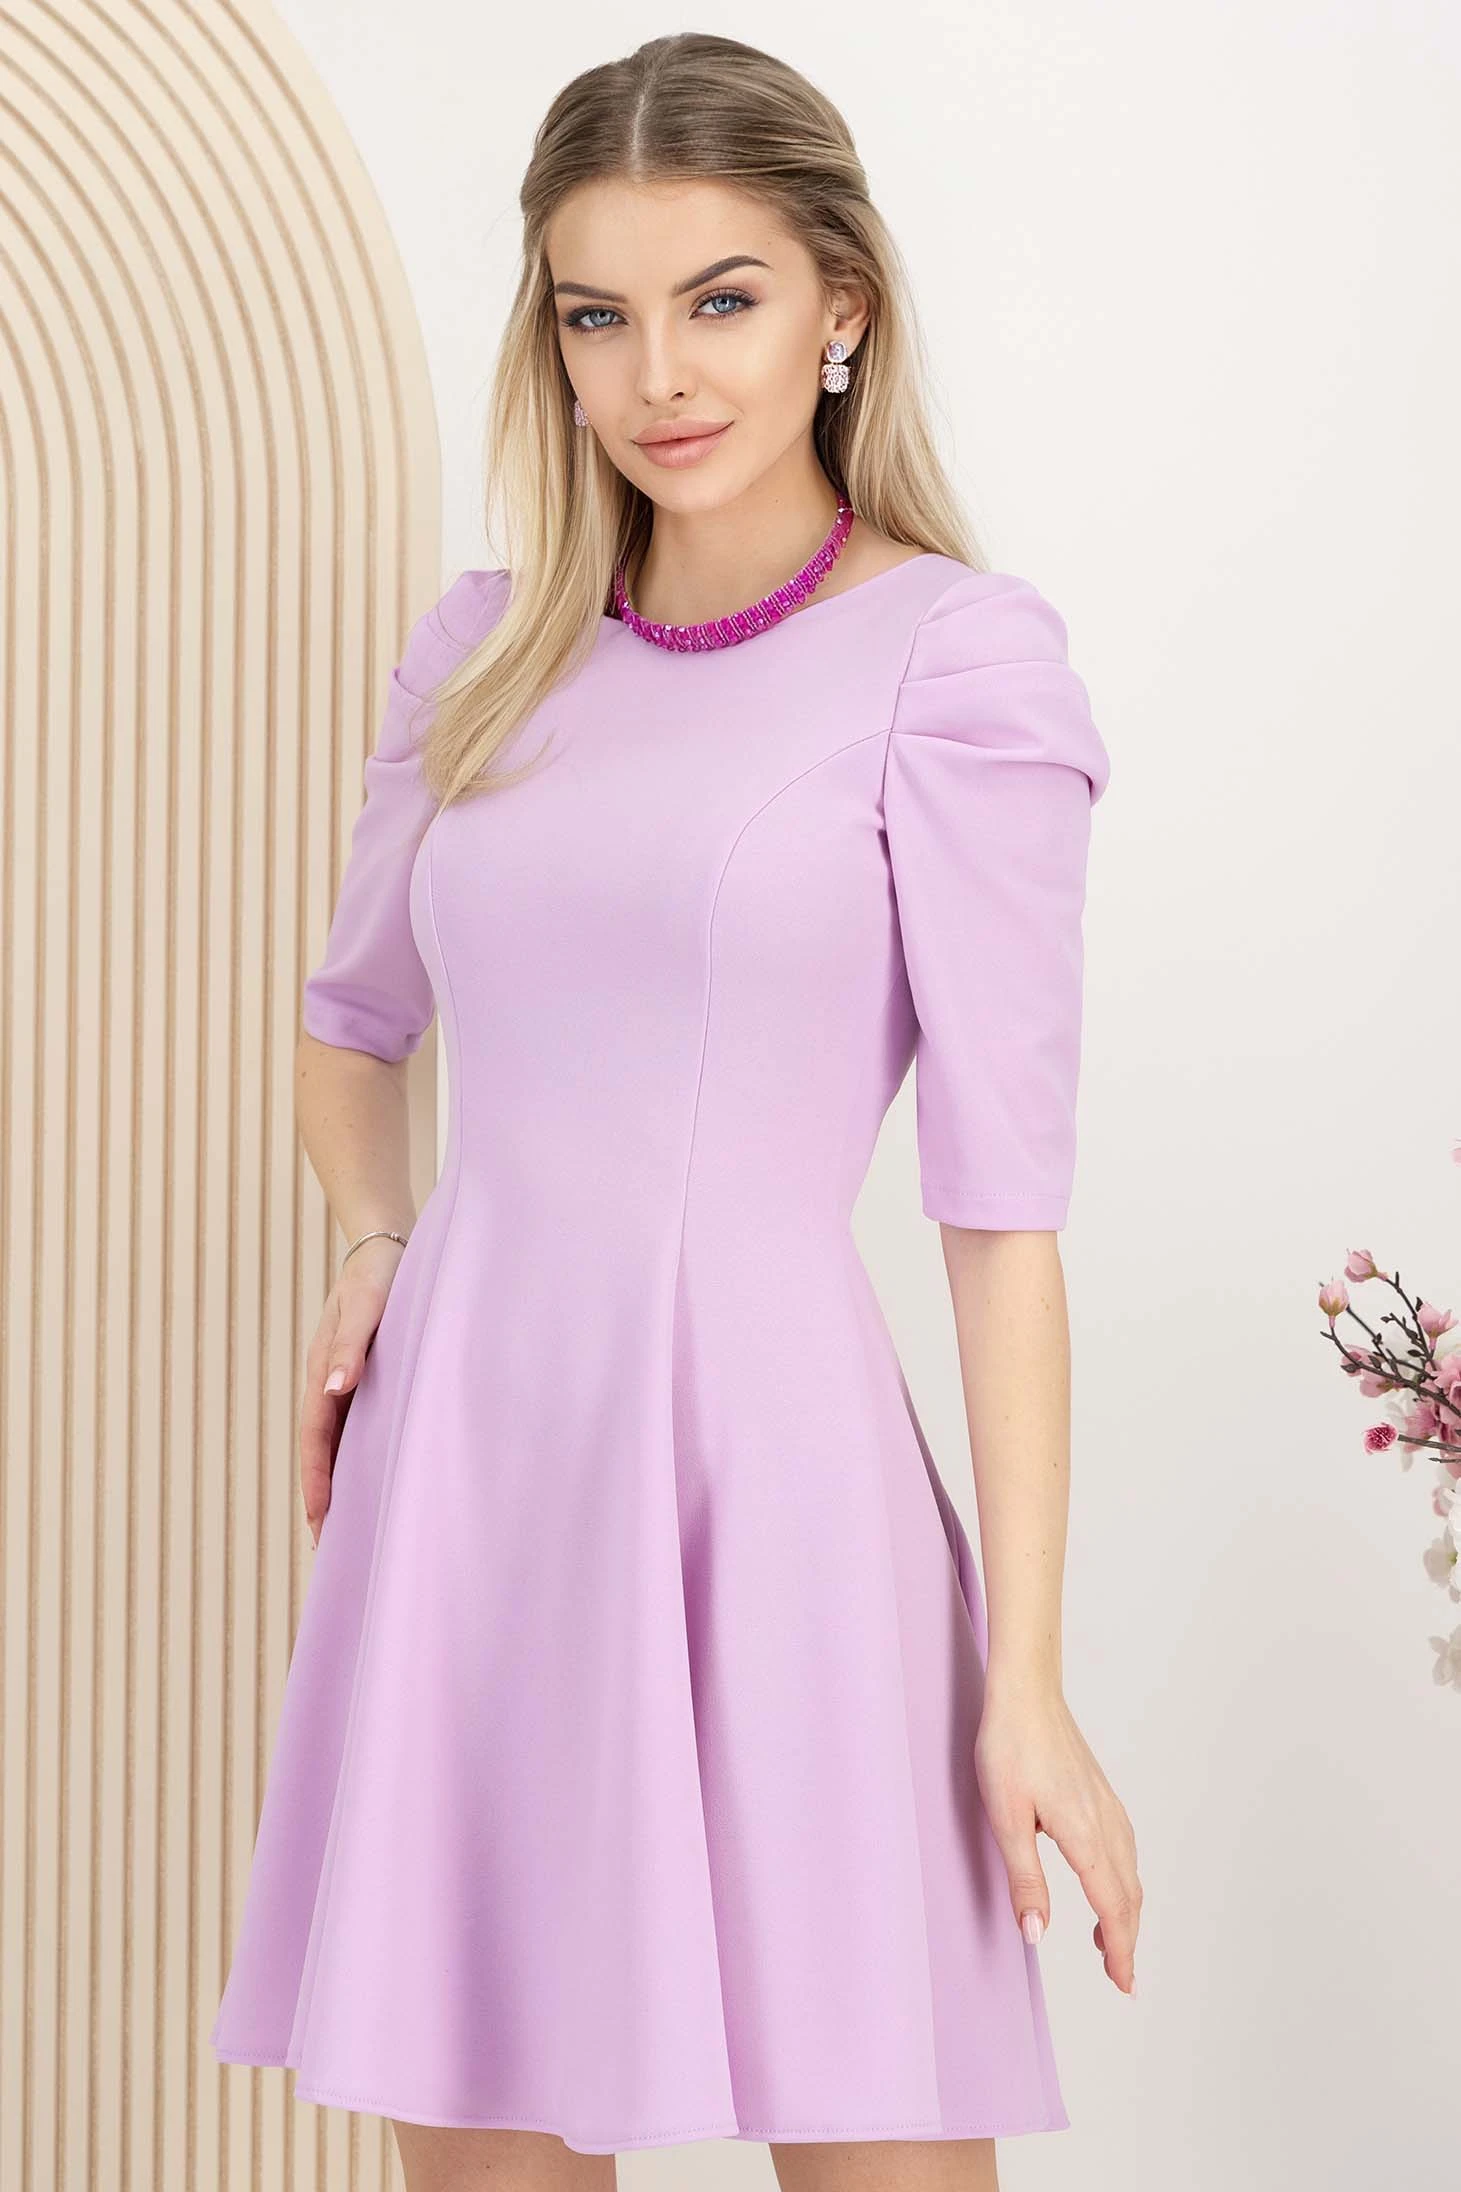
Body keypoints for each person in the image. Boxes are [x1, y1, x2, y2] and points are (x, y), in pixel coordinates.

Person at [210, 30, 1141, 2192]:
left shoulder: (957, 664)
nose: (659, 376)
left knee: (878, 2127)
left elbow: (1001, 1214)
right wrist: (373, 1237)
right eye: (595, 314)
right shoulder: (483, 654)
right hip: (475, 1467)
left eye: (720, 298)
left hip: (772, 1479)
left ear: (841, 307)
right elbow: (351, 1025)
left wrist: (1025, 1678)